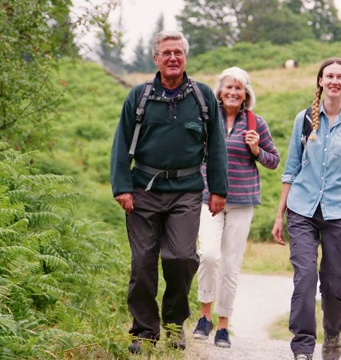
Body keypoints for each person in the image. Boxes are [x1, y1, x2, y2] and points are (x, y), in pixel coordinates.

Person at [110, 30, 228, 354]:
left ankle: (175, 325)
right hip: (143, 190)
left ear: (185, 57)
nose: (173, 58)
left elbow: (217, 146)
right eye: (167, 53)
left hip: (186, 191)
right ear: (156, 59)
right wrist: (121, 188)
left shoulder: (203, 97)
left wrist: (218, 190)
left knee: (181, 258)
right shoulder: (139, 96)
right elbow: (120, 145)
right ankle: (144, 332)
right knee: (143, 263)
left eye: (178, 52)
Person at [272, 58, 341, 360]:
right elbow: (290, 169)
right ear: (320, 81)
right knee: (305, 278)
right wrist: (280, 215)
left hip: (340, 211)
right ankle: (303, 347)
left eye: (340, 77)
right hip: (302, 209)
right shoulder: (303, 119)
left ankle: (332, 333)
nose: (334, 81)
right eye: (329, 75)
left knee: (336, 283)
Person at [192, 66, 280, 348]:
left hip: (243, 202)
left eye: (238, 88)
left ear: (246, 94)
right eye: (228, 87)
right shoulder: (206, 119)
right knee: (208, 255)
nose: (233, 92)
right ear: (219, 91)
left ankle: (223, 326)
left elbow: (273, 161)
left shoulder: (256, 122)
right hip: (208, 198)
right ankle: (203, 315)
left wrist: (256, 149)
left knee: (231, 265)